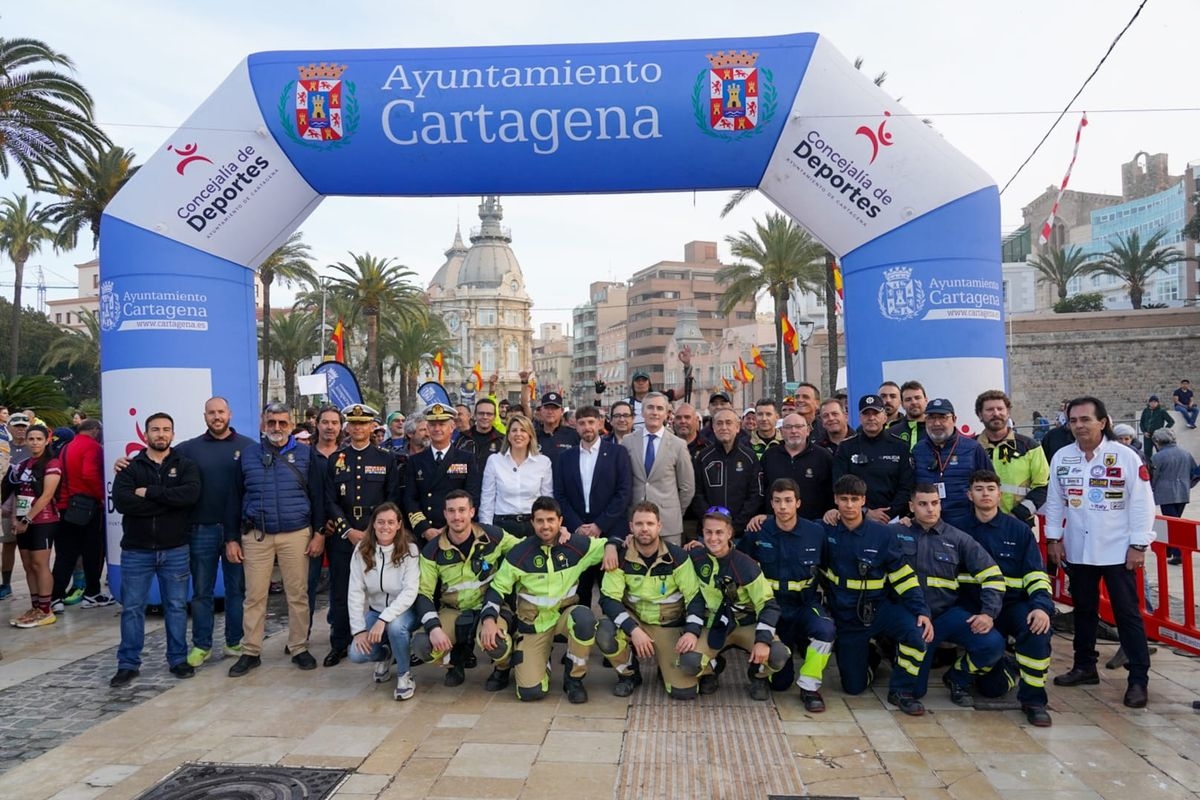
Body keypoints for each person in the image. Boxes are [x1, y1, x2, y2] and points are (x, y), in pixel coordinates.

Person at [1045, 396, 1155, 709]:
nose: (1079, 425)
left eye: (1085, 419)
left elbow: (1142, 502)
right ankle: (1084, 666)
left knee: (1127, 614)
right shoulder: (1063, 457)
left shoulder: (1125, 456)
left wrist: (1138, 544)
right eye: (1074, 420)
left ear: (1102, 422)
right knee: (1084, 611)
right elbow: (1055, 501)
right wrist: (1053, 538)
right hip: (1079, 549)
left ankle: (1138, 678)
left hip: (1119, 551)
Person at [227, 402, 332, 677]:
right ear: (263, 423)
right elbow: (234, 498)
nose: (277, 428)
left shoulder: (308, 456)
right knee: (254, 596)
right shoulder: (248, 456)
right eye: (272, 422)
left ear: (290, 424)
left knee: (297, 594)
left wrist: (319, 532)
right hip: (256, 535)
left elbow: (319, 498)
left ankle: (299, 647)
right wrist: (231, 538)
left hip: (296, 534)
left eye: (283, 423)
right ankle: (251, 651)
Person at [478, 496, 610, 703]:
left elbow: (608, 545)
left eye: (550, 520)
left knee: (585, 620)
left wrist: (613, 545)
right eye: (540, 521)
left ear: (560, 521)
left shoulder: (576, 546)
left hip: (563, 617)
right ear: (532, 522)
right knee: (530, 692)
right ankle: (541, 661)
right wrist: (487, 620)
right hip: (533, 625)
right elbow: (497, 588)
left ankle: (574, 679)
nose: (545, 526)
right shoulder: (519, 553)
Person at [821, 474, 932, 716]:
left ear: (863, 501)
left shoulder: (883, 534)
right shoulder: (825, 531)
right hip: (846, 616)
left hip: (880, 608)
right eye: (843, 499)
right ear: (835, 501)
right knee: (853, 687)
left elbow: (903, 575)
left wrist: (921, 611)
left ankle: (902, 690)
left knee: (916, 634)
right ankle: (870, 659)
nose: (849, 505)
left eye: (854, 499)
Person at [953, 470, 1054, 727]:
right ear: (969, 494)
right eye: (979, 489)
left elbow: (1036, 575)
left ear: (1000, 494)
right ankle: (966, 673)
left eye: (990, 488)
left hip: (1011, 606)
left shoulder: (1019, 531)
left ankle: (1033, 701)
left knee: (1037, 630)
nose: (985, 493)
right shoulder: (957, 530)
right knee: (991, 688)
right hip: (973, 607)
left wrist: (1041, 607)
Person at [109, 413, 202, 686]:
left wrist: (148, 492)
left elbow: (189, 496)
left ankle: (177, 659)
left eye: (166, 430)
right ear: (145, 434)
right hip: (137, 551)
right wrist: (168, 500)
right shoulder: (129, 467)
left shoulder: (185, 465)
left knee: (176, 606)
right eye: (155, 430)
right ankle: (128, 664)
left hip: (175, 549)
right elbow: (124, 502)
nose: (161, 434)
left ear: (173, 434)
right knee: (132, 608)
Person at [898, 485, 1006, 708]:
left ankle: (958, 677)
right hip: (912, 618)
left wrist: (988, 613)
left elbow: (993, 576)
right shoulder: (898, 533)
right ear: (911, 506)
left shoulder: (958, 539)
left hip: (946, 616)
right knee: (915, 691)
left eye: (935, 503)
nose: (930, 509)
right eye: (923, 504)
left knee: (992, 643)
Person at [738, 479, 836, 711]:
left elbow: (827, 568)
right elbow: (738, 565)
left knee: (826, 630)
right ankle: (760, 673)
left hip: (803, 606)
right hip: (770, 610)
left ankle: (810, 686)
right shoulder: (757, 532)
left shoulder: (815, 533)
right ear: (771, 504)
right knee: (780, 684)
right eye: (778, 501)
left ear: (798, 503)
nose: (783, 506)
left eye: (788, 501)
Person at [412, 490, 522, 690]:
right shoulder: (432, 550)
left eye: (462, 510)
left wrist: (561, 535)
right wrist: (434, 628)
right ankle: (454, 661)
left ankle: (502, 668)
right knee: (422, 645)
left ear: (472, 512)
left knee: (497, 643)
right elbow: (423, 593)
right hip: (453, 610)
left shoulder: (494, 536)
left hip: (491, 606)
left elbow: (526, 550)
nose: (457, 516)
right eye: (451, 511)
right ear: (444, 514)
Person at [175, 398, 256, 669]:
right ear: (205, 416)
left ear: (229, 414)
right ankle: (202, 645)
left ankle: (234, 641)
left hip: (238, 531)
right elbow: (157, 461)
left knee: (237, 589)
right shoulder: (188, 449)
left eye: (221, 412)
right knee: (201, 591)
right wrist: (125, 462)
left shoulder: (248, 448)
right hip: (202, 529)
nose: (216, 417)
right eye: (211, 413)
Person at [597, 501, 707, 699]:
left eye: (649, 523)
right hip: (636, 621)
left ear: (659, 526)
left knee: (684, 692)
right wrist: (634, 629)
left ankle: (665, 666)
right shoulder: (620, 557)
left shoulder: (677, 557)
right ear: (631, 527)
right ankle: (629, 674)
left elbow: (695, 598)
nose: (644, 529)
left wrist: (691, 632)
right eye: (639, 524)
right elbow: (608, 599)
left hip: (668, 625)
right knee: (605, 632)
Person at [323, 403, 404, 668]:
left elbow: (392, 497)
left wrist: (374, 531)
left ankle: (385, 642)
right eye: (353, 424)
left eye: (364, 423)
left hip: (378, 534)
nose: (358, 428)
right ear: (347, 427)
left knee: (383, 587)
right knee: (341, 589)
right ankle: (340, 642)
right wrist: (346, 530)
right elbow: (330, 499)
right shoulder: (337, 459)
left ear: (372, 427)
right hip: (345, 534)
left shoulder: (385, 458)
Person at [691, 508, 791, 700]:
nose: (713, 538)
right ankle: (713, 669)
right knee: (689, 662)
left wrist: (762, 640)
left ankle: (758, 674)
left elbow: (769, 604)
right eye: (708, 532)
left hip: (746, 624)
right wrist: (624, 541)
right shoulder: (695, 558)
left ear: (729, 533)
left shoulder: (746, 565)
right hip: (714, 625)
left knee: (777, 654)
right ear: (702, 533)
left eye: (719, 532)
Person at [553, 405, 632, 605]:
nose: (587, 427)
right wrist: (578, 525)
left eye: (590, 422)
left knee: (610, 591)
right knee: (580, 591)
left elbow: (623, 493)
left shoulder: (617, 453)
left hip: (609, 531)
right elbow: (560, 495)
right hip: (576, 533)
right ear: (575, 426)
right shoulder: (565, 458)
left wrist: (599, 525)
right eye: (581, 423)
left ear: (599, 423)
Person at [347, 501, 420, 700]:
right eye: (380, 522)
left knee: (396, 627)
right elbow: (355, 591)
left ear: (398, 525)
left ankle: (405, 675)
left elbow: (410, 591)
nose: (385, 527)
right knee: (356, 654)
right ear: (373, 524)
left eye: (390, 522)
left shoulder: (410, 550)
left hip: (404, 612)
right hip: (375, 611)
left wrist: (384, 619)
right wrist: (359, 630)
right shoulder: (362, 550)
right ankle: (386, 654)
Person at [3, 424, 63, 627]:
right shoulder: (22, 465)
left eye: (39, 439)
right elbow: (16, 493)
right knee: (28, 565)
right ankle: (36, 605)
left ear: (46, 441)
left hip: (43, 521)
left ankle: (46, 610)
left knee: (40, 564)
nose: (35, 442)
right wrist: (15, 519)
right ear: (26, 441)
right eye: (31, 439)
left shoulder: (52, 463)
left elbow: (47, 495)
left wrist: (27, 519)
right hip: (21, 522)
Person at [49, 418, 110, 611]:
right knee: (93, 552)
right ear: (94, 430)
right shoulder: (93, 447)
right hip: (87, 507)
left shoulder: (67, 447)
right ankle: (92, 593)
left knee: (65, 555)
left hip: (65, 506)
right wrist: (101, 496)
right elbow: (89, 474)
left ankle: (55, 597)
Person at [622, 392, 695, 546]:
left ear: (667, 414)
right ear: (642, 412)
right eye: (650, 407)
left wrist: (673, 511)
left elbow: (687, 487)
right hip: (636, 523)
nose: (655, 412)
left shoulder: (678, 445)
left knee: (670, 567)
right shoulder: (628, 442)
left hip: (668, 524)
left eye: (659, 408)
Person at [404, 403, 483, 543]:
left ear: (452, 427)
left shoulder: (466, 458)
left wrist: (449, 528)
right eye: (433, 425)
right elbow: (410, 499)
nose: (437, 429)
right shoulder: (415, 461)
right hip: (425, 534)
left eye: (442, 424)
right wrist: (425, 529)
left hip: (457, 530)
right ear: (427, 428)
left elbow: (472, 496)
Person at [973, 390, 1050, 526]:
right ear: (979, 415)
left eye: (1000, 409)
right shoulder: (970, 448)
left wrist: (1018, 514)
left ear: (1008, 412)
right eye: (990, 410)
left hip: (1020, 523)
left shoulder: (1030, 446)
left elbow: (1043, 486)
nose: (996, 413)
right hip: (979, 524)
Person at [832, 395, 914, 523]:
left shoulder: (900, 447)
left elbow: (906, 487)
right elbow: (839, 484)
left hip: (892, 520)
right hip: (857, 518)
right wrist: (865, 512)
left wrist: (889, 513)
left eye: (875, 413)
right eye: (866, 414)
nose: (871, 418)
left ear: (884, 417)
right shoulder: (846, 447)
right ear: (860, 418)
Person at [912, 399, 989, 522]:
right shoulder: (918, 450)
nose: (936, 423)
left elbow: (990, 485)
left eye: (943, 417)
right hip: (928, 523)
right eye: (931, 418)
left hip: (966, 522)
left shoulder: (973, 448)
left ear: (954, 419)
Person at [690, 408, 762, 538]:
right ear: (713, 427)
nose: (724, 427)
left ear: (737, 427)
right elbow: (697, 493)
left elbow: (755, 495)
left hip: (741, 534)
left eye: (728, 423)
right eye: (719, 423)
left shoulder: (749, 457)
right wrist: (710, 522)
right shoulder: (703, 457)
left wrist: (736, 526)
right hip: (709, 533)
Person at [480, 413, 553, 538]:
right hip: (502, 526)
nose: (518, 434)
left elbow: (547, 498)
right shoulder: (495, 461)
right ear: (508, 435)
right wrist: (486, 531)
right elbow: (487, 499)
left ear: (530, 435)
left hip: (533, 525)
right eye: (514, 430)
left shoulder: (543, 462)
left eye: (523, 430)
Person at [755, 413, 833, 523]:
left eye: (798, 426)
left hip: (815, 525)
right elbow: (761, 491)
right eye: (788, 427)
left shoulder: (823, 457)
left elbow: (831, 491)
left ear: (808, 430)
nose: (793, 431)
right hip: (776, 526)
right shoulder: (769, 456)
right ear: (781, 432)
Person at [1150, 428, 1198, 564]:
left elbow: (1153, 476)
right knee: (1176, 520)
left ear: (1158, 441)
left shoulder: (1157, 457)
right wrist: (1188, 484)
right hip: (1182, 491)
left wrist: (1151, 488)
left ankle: (1177, 553)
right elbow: (1194, 472)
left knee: (1172, 523)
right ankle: (1170, 550)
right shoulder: (1185, 453)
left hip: (1165, 493)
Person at [0, 413, 28, 600]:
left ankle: (36, 590)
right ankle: (6, 584)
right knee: (8, 544)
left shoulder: (35, 446)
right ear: (8, 427)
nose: (20, 429)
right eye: (17, 425)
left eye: (24, 425)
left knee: (29, 549)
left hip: (27, 505)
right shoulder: (3, 448)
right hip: (5, 505)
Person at [455, 397, 504, 474]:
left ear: (494, 417)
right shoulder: (462, 438)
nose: (485, 417)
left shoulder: (502, 441)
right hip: (466, 485)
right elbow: (453, 467)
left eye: (489, 414)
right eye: (481, 413)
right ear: (474, 415)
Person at [533, 392, 579, 464]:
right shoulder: (532, 436)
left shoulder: (574, 435)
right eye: (547, 408)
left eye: (554, 408)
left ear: (562, 411)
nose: (550, 412)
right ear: (541, 410)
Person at [890, 381, 928, 451]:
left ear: (926, 400)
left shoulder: (935, 430)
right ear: (902, 404)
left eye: (917, 398)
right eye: (908, 399)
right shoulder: (892, 433)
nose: (914, 402)